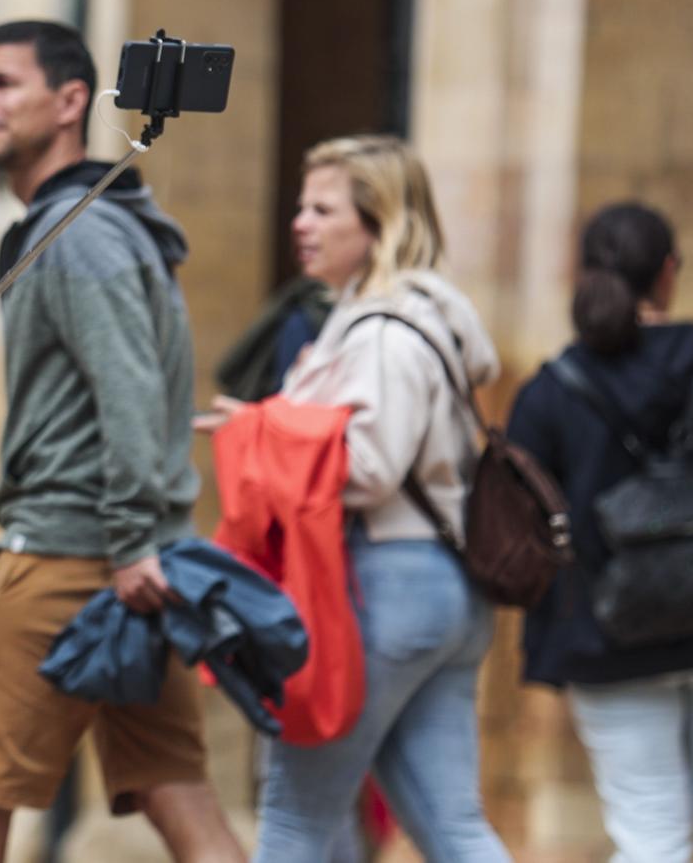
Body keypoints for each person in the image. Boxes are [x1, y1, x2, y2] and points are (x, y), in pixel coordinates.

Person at [0, 21, 241, 863]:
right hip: (138, 566)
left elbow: (131, 391)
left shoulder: (81, 237)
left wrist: (137, 536)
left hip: (74, 563)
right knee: (184, 801)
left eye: (3, 83)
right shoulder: (103, 226)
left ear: (72, 102)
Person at [240, 135, 509, 862]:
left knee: (294, 818)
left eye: (324, 209)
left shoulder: (383, 331)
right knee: (451, 826)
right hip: (442, 590)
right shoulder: (420, 319)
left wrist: (267, 426)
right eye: (303, 206)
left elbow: (369, 467)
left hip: (380, 584)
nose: (302, 222)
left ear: (379, 222)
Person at [507, 202, 693, 862]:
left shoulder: (552, 390)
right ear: (668, 273)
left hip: (606, 635)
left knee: (647, 832)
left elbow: (517, 527)